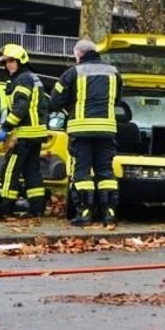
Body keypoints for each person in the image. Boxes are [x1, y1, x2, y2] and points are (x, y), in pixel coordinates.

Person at [49, 39, 122, 227]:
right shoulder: (114, 72)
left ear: (79, 54)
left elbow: (54, 101)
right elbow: (118, 98)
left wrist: (70, 107)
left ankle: (85, 212)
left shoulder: (72, 73)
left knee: (81, 172)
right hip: (106, 130)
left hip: (81, 130)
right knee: (105, 171)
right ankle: (109, 213)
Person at [0, 44, 49, 219]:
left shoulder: (22, 79)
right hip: (36, 133)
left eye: (11, 61)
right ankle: (37, 208)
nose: (8, 65)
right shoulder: (32, 77)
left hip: (24, 134)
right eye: (5, 62)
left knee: (10, 170)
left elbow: (21, 107)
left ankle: (4, 207)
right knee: (32, 170)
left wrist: (6, 127)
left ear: (20, 60)